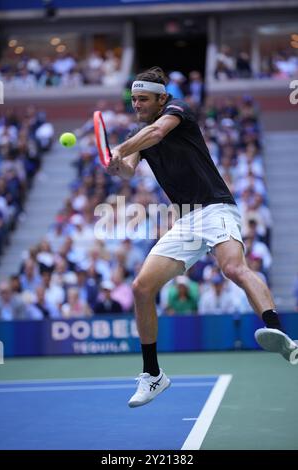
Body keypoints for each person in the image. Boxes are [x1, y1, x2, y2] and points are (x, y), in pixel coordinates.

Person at [107, 66, 298, 408]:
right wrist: (113, 163)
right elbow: (128, 170)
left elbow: (155, 133)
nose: (136, 104)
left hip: (216, 208)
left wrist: (119, 146)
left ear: (161, 98)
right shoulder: (140, 133)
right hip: (185, 220)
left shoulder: (177, 110)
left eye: (143, 98)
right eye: (133, 99)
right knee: (141, 288)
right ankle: (153, 376)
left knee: (233, 269)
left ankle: (279, 331)